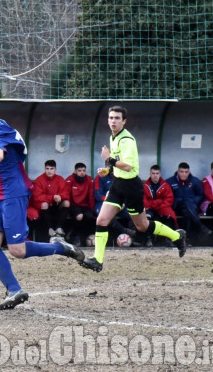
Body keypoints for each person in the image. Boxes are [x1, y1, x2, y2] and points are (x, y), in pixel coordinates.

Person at [0, 95, 84, 310]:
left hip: (12, 195)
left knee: (18, 251)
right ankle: (14, 290)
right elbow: (0, 141)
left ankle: (61, 248)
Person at [80, 106, 186, 273]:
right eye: (111, 118)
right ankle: (97, 260)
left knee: (142, 226)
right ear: (108, 120)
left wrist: (109, 160)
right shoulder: (113, 137)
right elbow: (119, 164)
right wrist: (108, 170)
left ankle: (177, 236)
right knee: (101, 220)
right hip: (117, 184)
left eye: (117, 118)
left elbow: (128, 167)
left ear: (124, 121)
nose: (113, 121)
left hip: (131, 187)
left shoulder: (126, 140)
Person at [166, 162, 211, 243]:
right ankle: (200, 226)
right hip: (176, 206)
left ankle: (185, 239)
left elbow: (201, 195)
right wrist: (177, 201)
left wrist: (193, 201)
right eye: (181, 172)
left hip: (191, 207)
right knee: (186, 202)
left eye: (186, 172)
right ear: (178, 171)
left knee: (187, 211)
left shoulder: (195, 181)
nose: (184, 174)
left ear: (189, 172)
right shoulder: (170, 182)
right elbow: (167, 197)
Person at [32, 160, 70, 238]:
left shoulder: (60, 179)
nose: (49, 171)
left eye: (51, 169)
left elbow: (66, 193)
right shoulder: (39, 180)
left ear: (55, 169)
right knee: (44, 204)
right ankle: (50, 229)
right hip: (45, 207)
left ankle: (59, 227)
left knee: (66, 203)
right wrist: (52, 198)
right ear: (44, 169)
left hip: (57, 205)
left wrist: (60, 197)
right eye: (47, 169)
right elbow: (37, 196)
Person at [143, 165, 178, 246]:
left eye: (157, 173)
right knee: (146, 216)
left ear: (160, 174)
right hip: (149, 208)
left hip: (162, 208)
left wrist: (157, 205)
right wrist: (158, 202)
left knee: (170, 215)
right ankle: (149, 239)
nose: (155, 175)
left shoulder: (166, 185)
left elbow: (169, 200)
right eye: (153, 173)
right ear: (150, 174)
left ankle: (169, 238)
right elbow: (144, 202)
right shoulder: (145, 186)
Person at [65, 162, 95, 246]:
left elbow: (91, 195)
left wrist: (92, 208)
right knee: (79, 216)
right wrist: (70, 207)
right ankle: (76, 236)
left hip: (84, 206)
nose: (82, 172)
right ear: (75, 171)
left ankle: (72, 233)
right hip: (73, 205)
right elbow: (67, 195)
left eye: (83, 170)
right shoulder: (70, 179)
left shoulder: (89, 179)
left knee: (89, 216)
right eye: (79, 170)